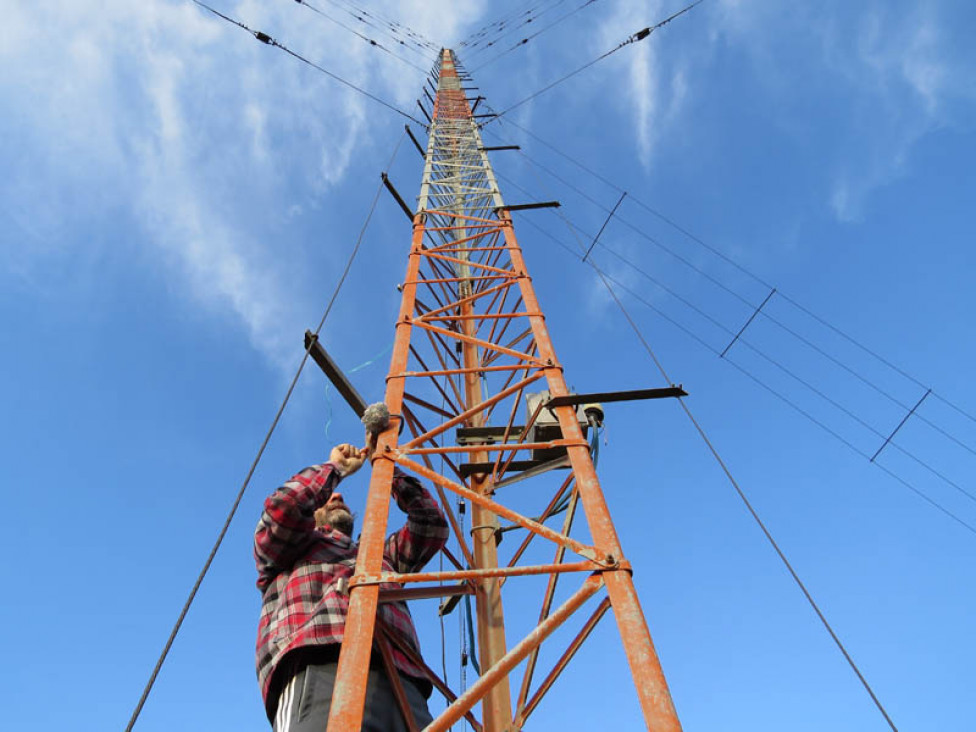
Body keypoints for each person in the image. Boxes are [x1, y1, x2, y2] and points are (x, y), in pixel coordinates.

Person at [254, 440, 449, 731]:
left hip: (403, 679)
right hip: (319, 666)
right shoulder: (287, 551)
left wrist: (385, 466)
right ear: (313, 512)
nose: (338, 496)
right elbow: (284, 509)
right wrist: (337, 469)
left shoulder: (378, 557)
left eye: (340, 496)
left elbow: (431, 524)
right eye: (327, 497)